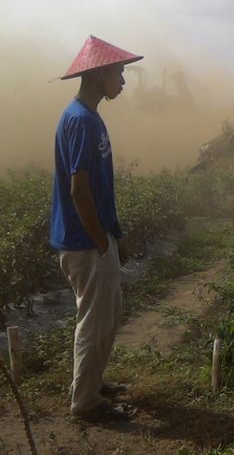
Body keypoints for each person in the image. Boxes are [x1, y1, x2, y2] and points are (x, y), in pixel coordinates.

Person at [50, 35, 142, 422]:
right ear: (99, 72)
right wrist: (99, 243)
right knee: (93, 320)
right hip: (84, 242)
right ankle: (85, 402)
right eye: (119, 72)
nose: (122, 79)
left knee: (107, 314)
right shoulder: (80, 120)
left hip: (96, 239)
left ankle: (93, 384)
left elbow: (101, 190)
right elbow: (79, 190)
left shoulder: (89, 117)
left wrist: (114, 236)